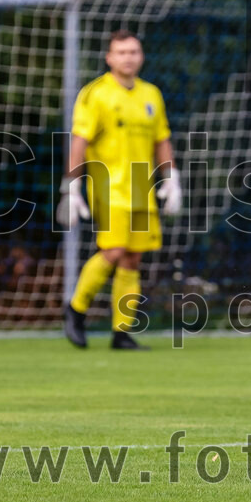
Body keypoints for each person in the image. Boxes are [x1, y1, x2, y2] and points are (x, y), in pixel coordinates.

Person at [58, 30, 182, 350]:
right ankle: (76, 309)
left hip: (141, 186)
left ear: (141, 56)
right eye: (122, 52)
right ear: (109, 58)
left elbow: (162, 140)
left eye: (134, 52)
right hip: (106, 185)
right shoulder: (95, 93)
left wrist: (171, 179)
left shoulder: (151, 94)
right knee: (112, 251)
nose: (129, 57)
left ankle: (121, 332)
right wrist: (70, 186)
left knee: (132, 258)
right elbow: (80, 140)